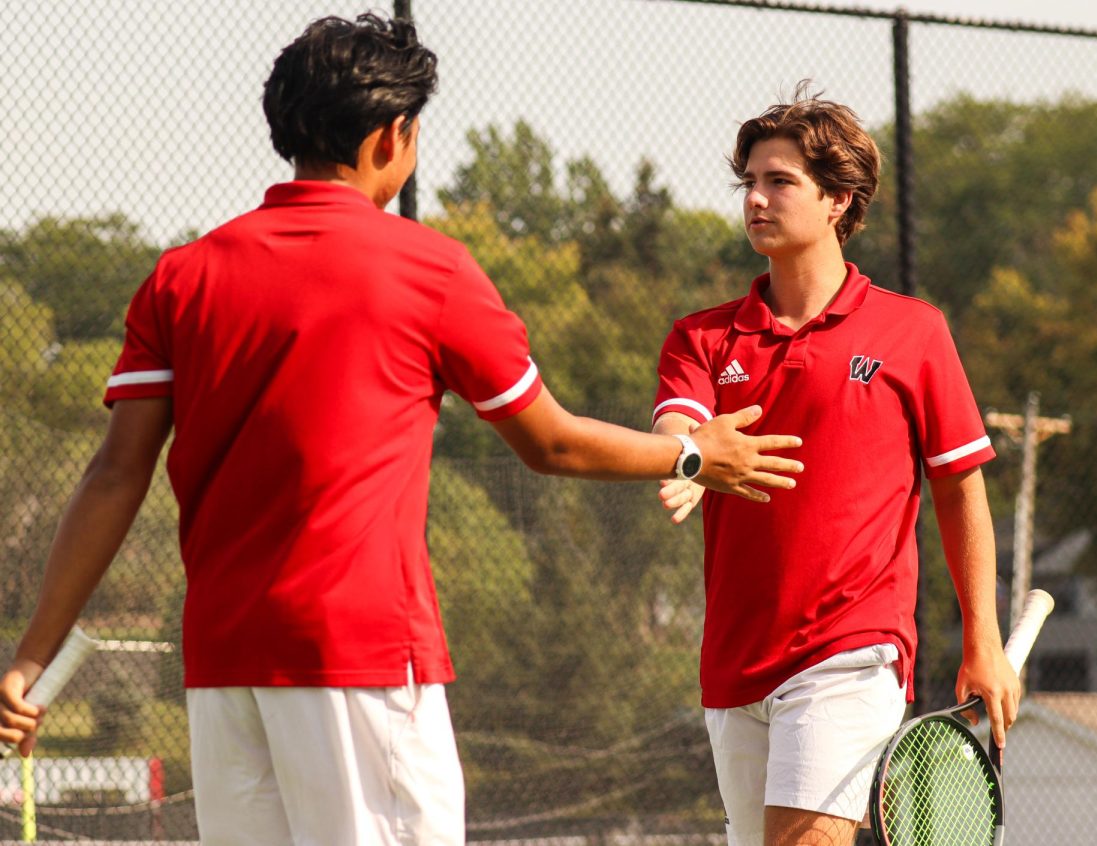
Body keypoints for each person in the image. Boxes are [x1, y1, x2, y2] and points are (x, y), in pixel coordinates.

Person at [0, 15, 803, 846]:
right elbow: (550, 442)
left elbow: (114, 476)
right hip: (364, 658)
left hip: (222, 668)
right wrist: (693, 452)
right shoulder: (430, 269)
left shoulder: (182, 276)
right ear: (395, 135)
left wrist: (30, 660)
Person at [650, 84, 1021, 846]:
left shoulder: (913, 333)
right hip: (731, 664)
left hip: (848, 654)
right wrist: (689, 456)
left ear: (837, 199)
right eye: (748, 182)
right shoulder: (701, 337)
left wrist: (982, 635)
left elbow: (959, 485)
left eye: (778, 181)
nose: (755, 198)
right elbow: (682, 421)